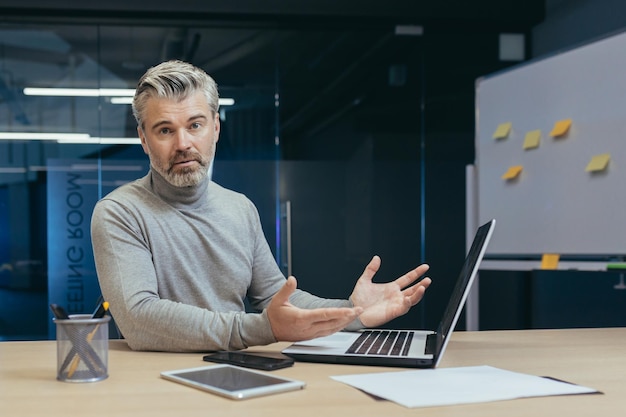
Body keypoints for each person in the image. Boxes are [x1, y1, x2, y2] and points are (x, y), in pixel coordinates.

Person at [90, 60, 432, 352]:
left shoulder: (239, 208)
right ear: (144, 140)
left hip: (234, 369)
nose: (183, 143)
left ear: (216, 128)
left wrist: (352, 311)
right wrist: (261, 329)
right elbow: (139, 319)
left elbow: (274, 298)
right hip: (154, 386)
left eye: (195, 125)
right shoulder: (120, 212)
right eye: (165, 130)